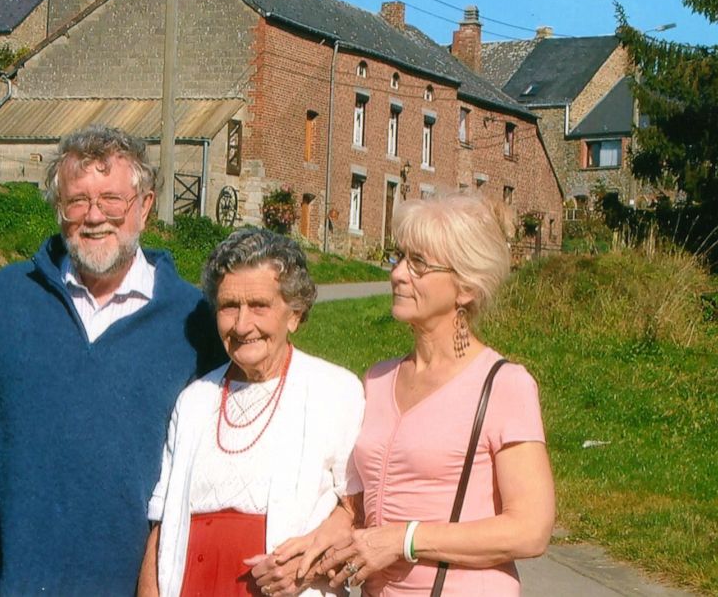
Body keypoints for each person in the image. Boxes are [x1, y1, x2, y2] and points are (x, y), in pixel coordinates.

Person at [0, 125, 225, 595]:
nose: (94, 216)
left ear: (144, 206)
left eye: (111, 199)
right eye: (77, 201)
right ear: (59, 211)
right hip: (11, 583)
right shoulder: (5, 300)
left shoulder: (191, 321)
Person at [318, 193, 555, 596]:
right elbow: (360, 506)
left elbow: (531, 529)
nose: (397, 274)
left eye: (419, 264)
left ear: (465, 287)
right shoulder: (376, 379)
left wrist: (404, 539)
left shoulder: (502, 385)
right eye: (398, 258)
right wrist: (317, 545)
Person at [138, 227, 366, 597]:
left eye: (259, 305)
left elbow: (358, 512)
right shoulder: (195, 400)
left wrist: (309, 563)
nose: (242, 325)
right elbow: (163, 523)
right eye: (229, 306)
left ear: (294, 314)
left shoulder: (335, 391)